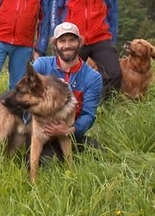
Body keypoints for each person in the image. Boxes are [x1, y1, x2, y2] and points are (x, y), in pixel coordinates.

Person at [52, 0, 121, 96]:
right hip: (74, 37)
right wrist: (57, 37)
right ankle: (69, 110)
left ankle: (100, 107)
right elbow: (56, 9)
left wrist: (112, 37)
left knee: (114, 74)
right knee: (67, 79)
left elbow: (113, 9)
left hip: (101, 36)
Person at [31, 21, 102, 157]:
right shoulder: (41, 66)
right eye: (62, 41)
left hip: (70, 130)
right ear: (55, 45)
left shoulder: (92, 77)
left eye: (72, 40)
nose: (67, 45)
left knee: (97, 153)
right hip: (41, 129)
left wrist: (69, 130)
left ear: (80, 43)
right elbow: (26, 96)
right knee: (48, 162)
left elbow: (89, 114)